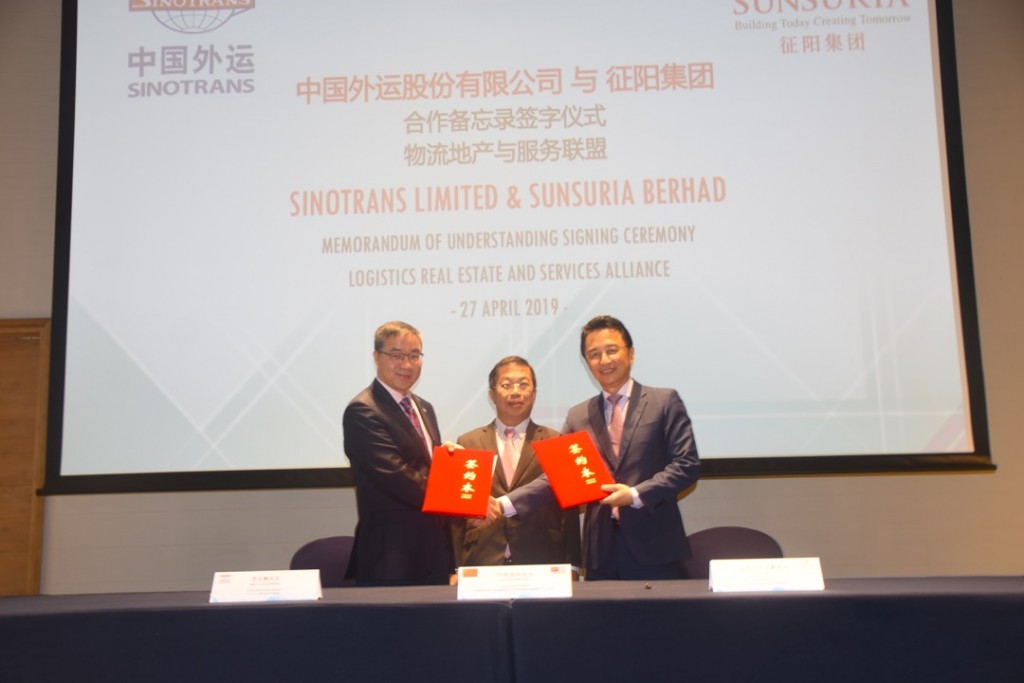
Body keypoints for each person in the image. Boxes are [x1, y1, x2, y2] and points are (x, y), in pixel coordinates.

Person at [504, 315, 700, 580]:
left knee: (658, 622)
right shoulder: (578, 415)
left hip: (655, 547)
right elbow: (558, 477)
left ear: (631, 354)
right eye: (594, 354)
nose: (604, 360)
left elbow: (686, 466)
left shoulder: (663, 401)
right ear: (587, 363)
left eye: (611, 350)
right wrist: (503, 504)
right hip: (601, 552)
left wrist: (634, 494)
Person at [342, 321, 454, 586]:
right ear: (376, 357)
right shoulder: (364, 410)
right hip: (392, 555)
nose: (406, 364)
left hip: (433, 549)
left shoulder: (423, 407)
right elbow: (398, 477)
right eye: (396, 355)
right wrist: (461, 500)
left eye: (414, 356)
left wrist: (449, 460)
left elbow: (426, 468)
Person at [452, 356, 581, 570]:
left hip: (542, 557)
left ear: (534, 393)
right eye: (506, 385)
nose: (515, 392)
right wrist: (454, 568)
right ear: (492, 395)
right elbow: (457, 517)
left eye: (523, 384)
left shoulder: (555, 441)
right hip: (481, 558)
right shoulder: (468, 442)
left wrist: (574, 567)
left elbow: (569, 512)